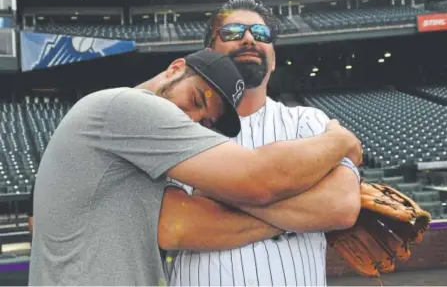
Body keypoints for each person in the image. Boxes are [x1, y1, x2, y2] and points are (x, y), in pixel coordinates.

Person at [28, 49, 361, 286]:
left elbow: (187, 226)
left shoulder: (144, 149)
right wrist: (340, 140)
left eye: (206, 121)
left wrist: (241, 202)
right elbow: (260, 179)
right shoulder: (125, 106)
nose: (192, 120)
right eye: (196, 100)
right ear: (176, 68)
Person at [166, 0, 362, 286]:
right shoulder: (178, 126)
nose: (248, 39)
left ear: (274, 57)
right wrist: (298, 212)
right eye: (232, 33)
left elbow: (341, 207)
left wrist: (216, 195)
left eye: (261, 34)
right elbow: (175, 227)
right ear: (210, 53)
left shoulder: (310, 122)